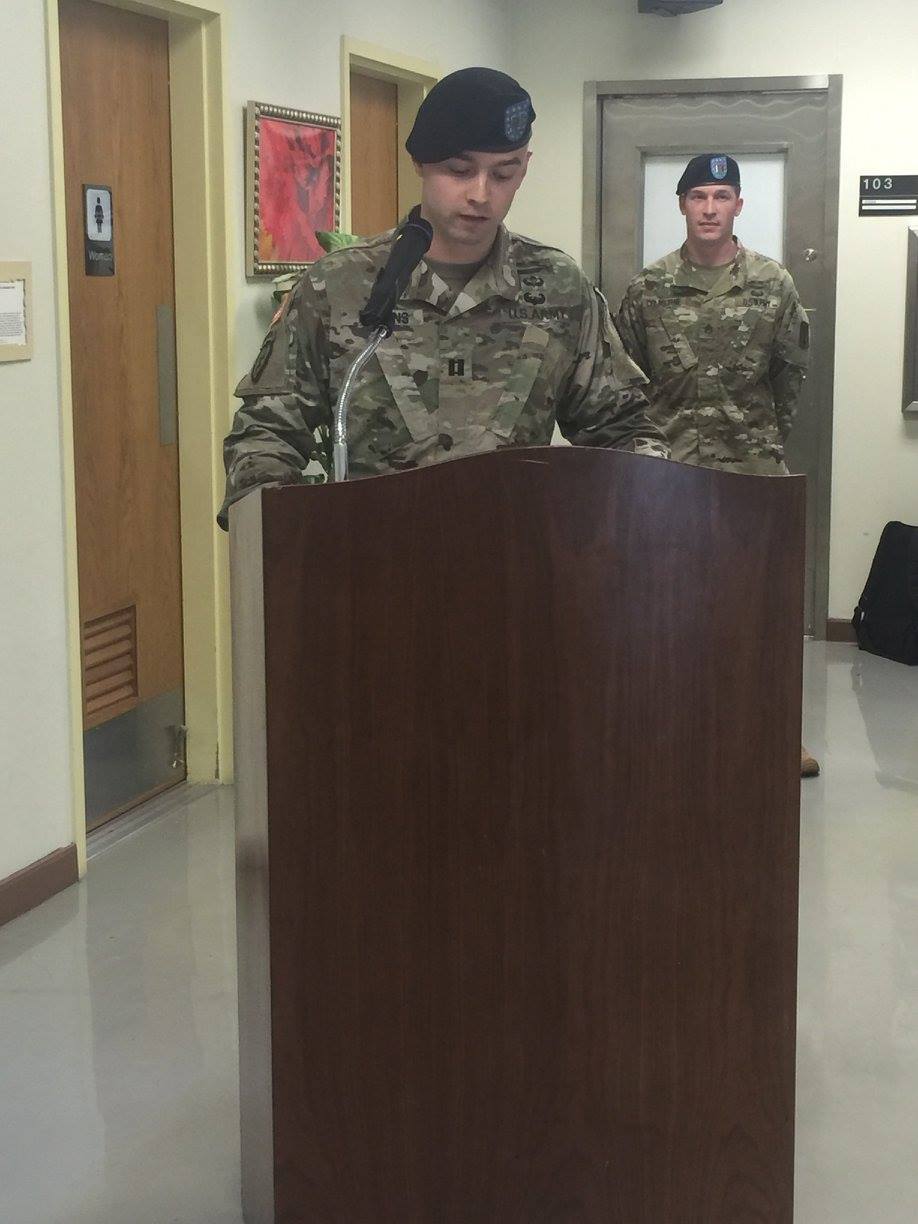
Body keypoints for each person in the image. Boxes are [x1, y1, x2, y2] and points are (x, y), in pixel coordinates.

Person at [218, 67, 668, 530]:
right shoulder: (340, 285)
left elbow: (622, 427)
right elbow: (266, 432)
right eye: (459, 171)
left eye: (504, 173)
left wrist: (646, 508)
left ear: (525, 167)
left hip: (520, 557)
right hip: (370, 557)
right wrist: (282, 531)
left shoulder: (558, 287)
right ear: (420, 162)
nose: (481, 194)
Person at [615, 153, 819, 778]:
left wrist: (759, 441)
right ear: (682, 205)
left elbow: (789, 376)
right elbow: (625, 380)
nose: (709, 208)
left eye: (721, 196)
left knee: (760, 612)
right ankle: (666, 730)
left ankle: (774, 735)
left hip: (750, 471)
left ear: (738, 206)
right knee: (665, 609)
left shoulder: (773, 284)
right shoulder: (647, 288)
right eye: (698, 196)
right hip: (667, 472)